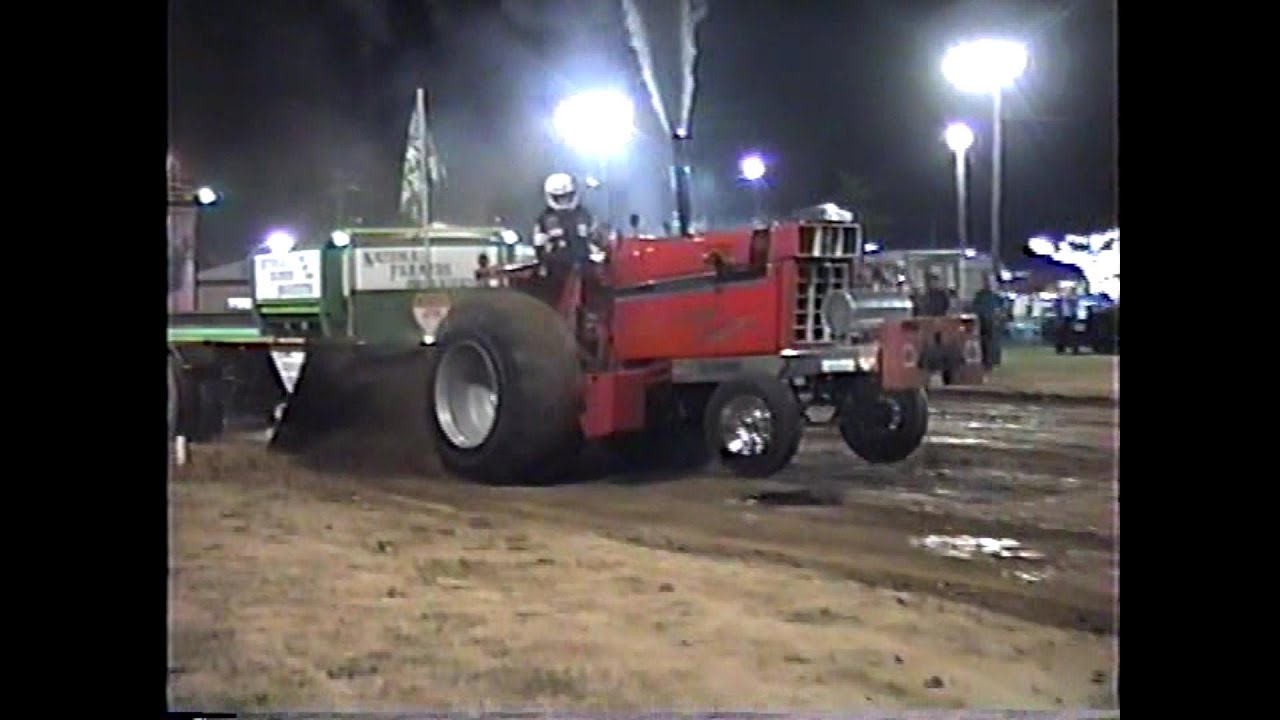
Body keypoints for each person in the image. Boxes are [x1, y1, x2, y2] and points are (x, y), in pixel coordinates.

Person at [532, 172, 600, 267]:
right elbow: (538, 247)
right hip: (556, 267)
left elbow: (595, 238)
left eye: (567, 196)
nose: (564, 200)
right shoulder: (545, 218)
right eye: (559, 197)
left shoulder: (584, 215)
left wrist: (595, 246)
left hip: (584, 265)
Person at [971, 274, 1004, 368]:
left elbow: (1000, 310)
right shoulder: (980, 295)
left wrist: (999, 318)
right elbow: (975, 308)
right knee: (983, 342)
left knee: (992, 343)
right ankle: (985, 361)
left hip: (992, 323)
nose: (988, 284)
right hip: (982, 322)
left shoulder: (996, 296)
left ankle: (991, 361)